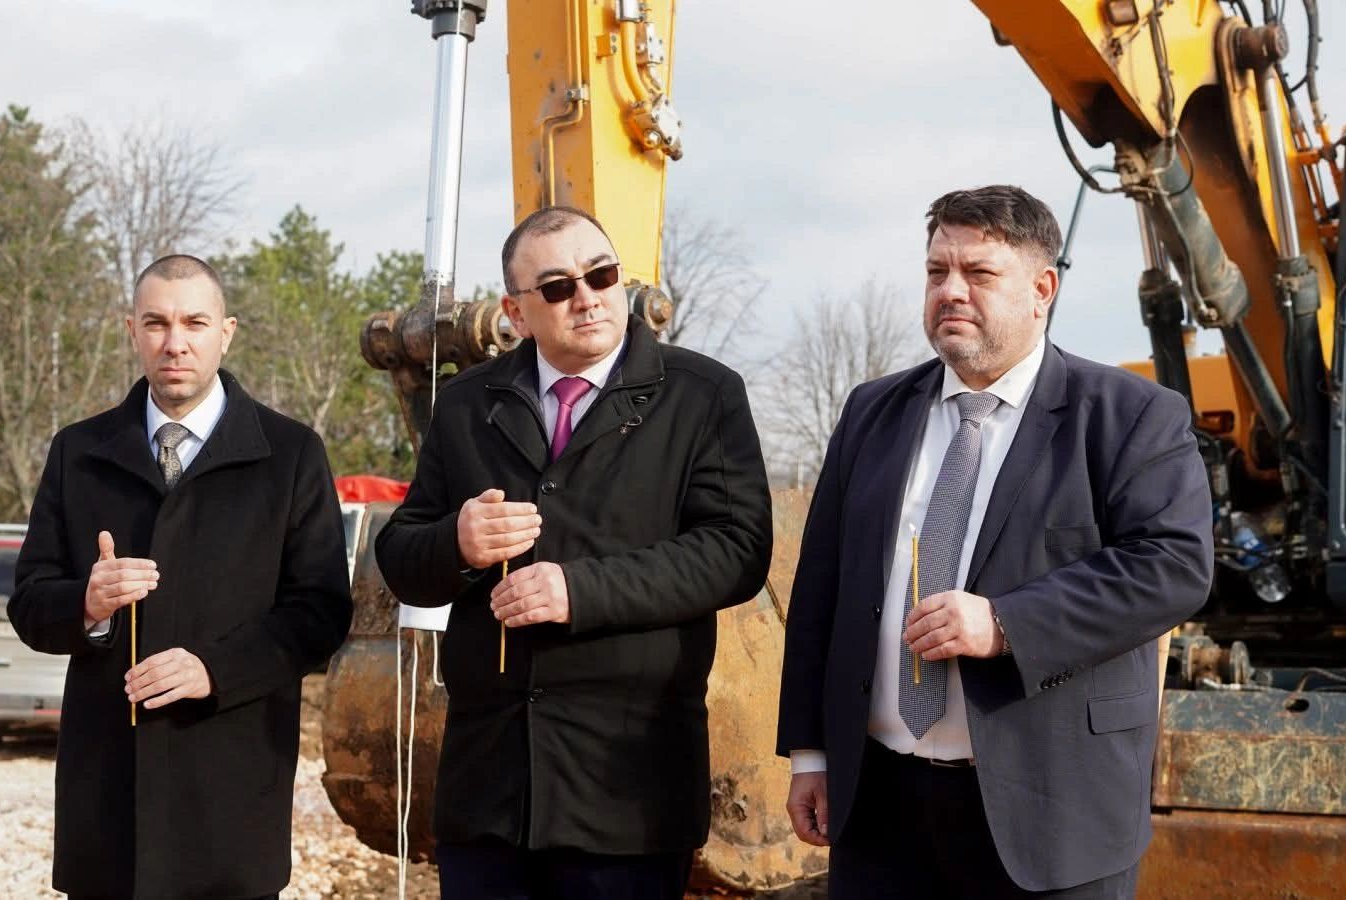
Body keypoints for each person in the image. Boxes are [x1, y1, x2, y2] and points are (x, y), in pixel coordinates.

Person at [776, 185, 1213, 898]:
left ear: (1042, 290)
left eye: (978, 273)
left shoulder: (1130, 415)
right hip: (880, 809)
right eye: (936, 271)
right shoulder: (872, 411)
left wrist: (1006, 623)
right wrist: (810, 752)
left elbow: (1172, 566)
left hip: (1054, 813)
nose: (950, 291)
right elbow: (822, 587)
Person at [376, 205, 773, 899]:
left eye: (602, 275)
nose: (587, 298)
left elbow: (737, 549)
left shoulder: (702, 395)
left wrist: (580, 590)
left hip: (625, 788)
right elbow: (402, 556)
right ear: (516, 312)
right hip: (488, 790)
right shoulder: (467, 404)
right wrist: (457, 542)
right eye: (558, 287)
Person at [9, 254, 353, 899]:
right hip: (107, 804)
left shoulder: (290, 454)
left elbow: (321, 612)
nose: (175, 343)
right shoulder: (78, 452)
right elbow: (28, 604)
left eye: (194, 322)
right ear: (131, 331)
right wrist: (87, 604)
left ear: (226, 332)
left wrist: (214, 670)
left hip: (229, 802)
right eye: (156, 323)